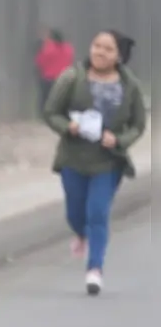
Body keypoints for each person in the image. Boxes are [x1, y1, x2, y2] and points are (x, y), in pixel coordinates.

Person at [42, 29, 146, 296]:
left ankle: (95, 269)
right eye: (96, 45)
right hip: (74, 159)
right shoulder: (72, 77)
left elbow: (137, 125)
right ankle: (81, 234)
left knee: (97, 213)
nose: (100, 52)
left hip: (107, 162)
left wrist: (119, 140)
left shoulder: (130, 85)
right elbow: (51, 112)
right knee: (76, 214)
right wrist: (69, 127)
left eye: (108, 49)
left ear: (119, 56)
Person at [35, 28, 74, 109]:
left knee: (46, 98)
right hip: (64, 78)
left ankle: (45, 114)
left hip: (49, 78)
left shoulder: (48, 49)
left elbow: (39, 61)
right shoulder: (68, 49)